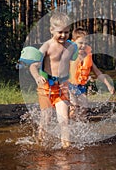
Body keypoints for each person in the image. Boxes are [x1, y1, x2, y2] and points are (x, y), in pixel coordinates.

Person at [29, 12, 77, 149]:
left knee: (64, 120)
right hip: (46, 87)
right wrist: (37, 76)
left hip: (62, 86)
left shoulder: (71, 47)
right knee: (46, 118)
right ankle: (39, 142)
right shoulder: (47, 46)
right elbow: (33, 65)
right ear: (51, 30)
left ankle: (66, 146)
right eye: (60, 32)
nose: (63, 35)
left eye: (66, 32)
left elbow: (72, 64)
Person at [69, 27, 115, 121]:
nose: (83, 46)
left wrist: (108, 85)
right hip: (68, 86)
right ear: (73, 42)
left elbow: (97, 72)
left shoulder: (88, 56)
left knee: (85, 108)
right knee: (74, 107)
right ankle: (67, 124)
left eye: (85, 43)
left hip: (81, 87)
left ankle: (79, 128)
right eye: (80, 43)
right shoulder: (69, 55)